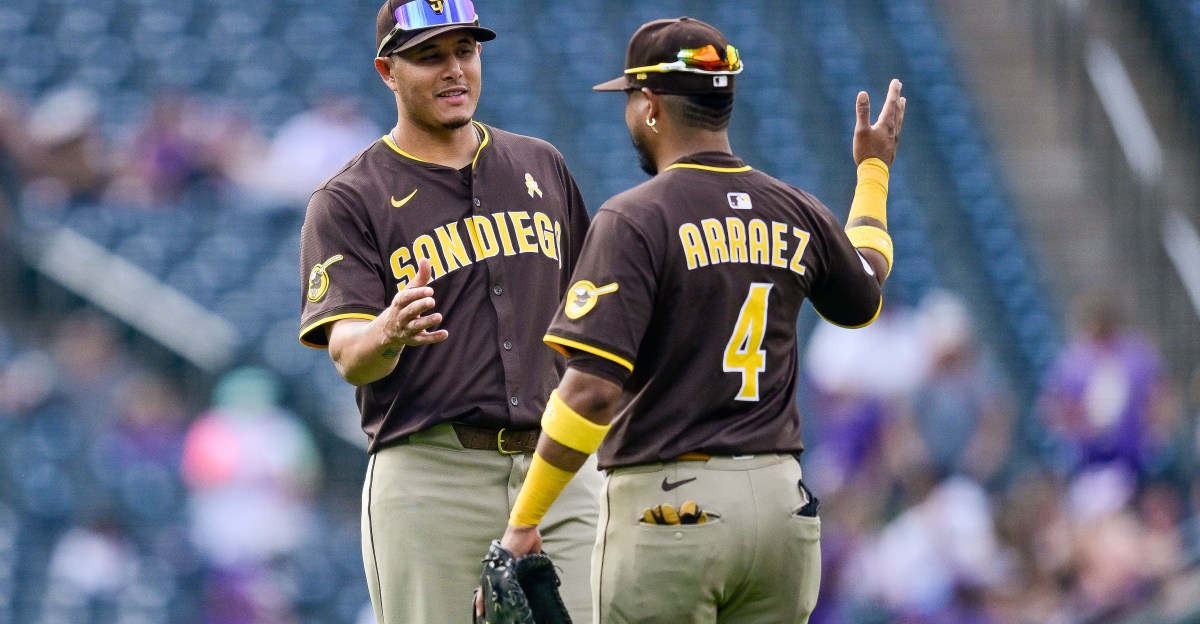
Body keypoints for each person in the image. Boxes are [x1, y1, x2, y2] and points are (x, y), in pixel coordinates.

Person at [485, 16, 905, 623]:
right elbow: (866, 288)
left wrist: (525, 520)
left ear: (650, 106)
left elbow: (593, 391)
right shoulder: (795, 208)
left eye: (631, 98)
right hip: (782, 512)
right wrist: (873, 171)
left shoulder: (635, 218)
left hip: (674, 509)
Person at [296, 1, 598, 622]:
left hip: (559, 465)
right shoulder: (350, 198)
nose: (453, 69)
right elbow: (349, 355)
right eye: (429, 56)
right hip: (434, 473)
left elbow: (590, 314)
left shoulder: (541, 165)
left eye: (465, 51)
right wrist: (389, 328)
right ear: (387, 71)